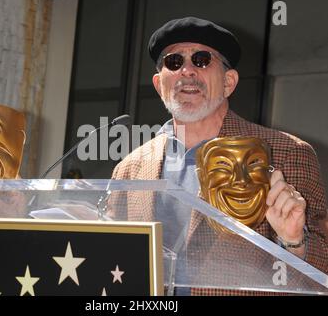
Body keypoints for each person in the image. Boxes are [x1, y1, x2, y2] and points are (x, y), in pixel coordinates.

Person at [109, 17, 328, 294]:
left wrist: (295, 242)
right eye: (174, 62)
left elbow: (322, 270)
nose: (187, 71)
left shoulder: (286, 153)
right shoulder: (129, 169)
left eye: (201, 60)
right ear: (158, 84)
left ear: (228, 82)